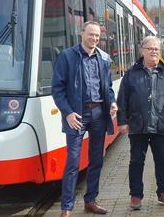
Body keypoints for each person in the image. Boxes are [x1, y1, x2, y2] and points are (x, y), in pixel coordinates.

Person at [52, 21, 118, 217]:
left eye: (97, 36)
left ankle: (90, 201)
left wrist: (112, 102)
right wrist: (68, 113)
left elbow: (107, 88)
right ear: (81, 34)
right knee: (73, 162)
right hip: (77, 115)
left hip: (99, 113)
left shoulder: (104, 58)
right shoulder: (67, 57)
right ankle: (67, 208)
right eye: (91, 35)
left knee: (96, 159)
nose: (94, 39)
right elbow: (58, 89)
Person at [116, 36, 164, 210]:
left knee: (162, 160)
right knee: (136, 161)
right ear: (142, 51)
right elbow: (122, 99)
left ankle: (163, 193)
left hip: (160, 124)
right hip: (137, 125)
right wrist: (122, 121)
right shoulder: (131, 73)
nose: (154, 52)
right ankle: (136, 196)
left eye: (156, 49)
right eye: (150, 49)